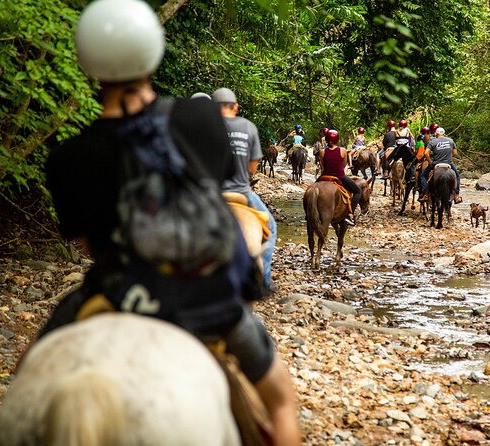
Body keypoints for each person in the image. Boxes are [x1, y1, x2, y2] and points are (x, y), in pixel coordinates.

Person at [37, 2, 301, 444]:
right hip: (209, 299)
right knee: (280, 404)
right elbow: (214, 194)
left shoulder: (68, 158)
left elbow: (90, 245)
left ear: (87, 62)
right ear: (152, 53)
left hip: (121, 294)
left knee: (35, 373)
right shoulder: (199, 119)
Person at [211, 87, 278, 290]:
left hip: (212, 193)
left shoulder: (206, 126)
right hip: (241, 192)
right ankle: (263, 281)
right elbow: (251, 169)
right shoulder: (248, 127)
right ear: (236, 107)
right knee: (271, 229)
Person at [319, 129, 361, 226]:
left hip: (325, 176)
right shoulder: (342, 150)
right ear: (337, 139)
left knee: (311, 189)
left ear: (326, 139)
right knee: (358, 191)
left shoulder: (322, 152)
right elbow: (343, 165)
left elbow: (323, 167)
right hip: (339, 176)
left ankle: (309, 213)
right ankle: (349, 215)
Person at [419, 127, 462, 204]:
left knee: (423, 175)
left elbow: (426, 153)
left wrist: (430, 162)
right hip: (449, 163)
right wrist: (448, 156)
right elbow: (455, 153)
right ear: (444, 133)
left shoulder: (433, 142)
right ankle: (456, 196)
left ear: (436, 134)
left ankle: (425, 194)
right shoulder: (450, 140)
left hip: (436, 163)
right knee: (457, 176)